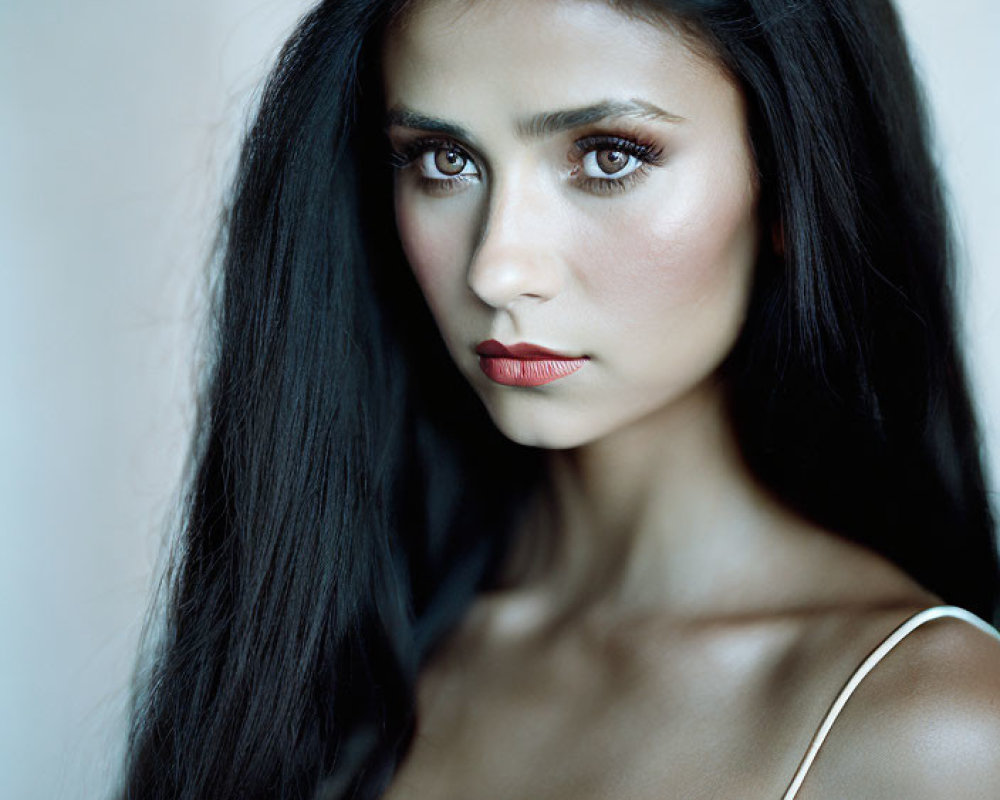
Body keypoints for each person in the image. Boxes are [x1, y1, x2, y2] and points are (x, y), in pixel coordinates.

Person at [116, 1, 1000, 798]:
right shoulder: (324, 654)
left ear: (790, 180)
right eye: (443, 159)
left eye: (608, 156)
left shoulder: (936, 722)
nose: (498, 266)